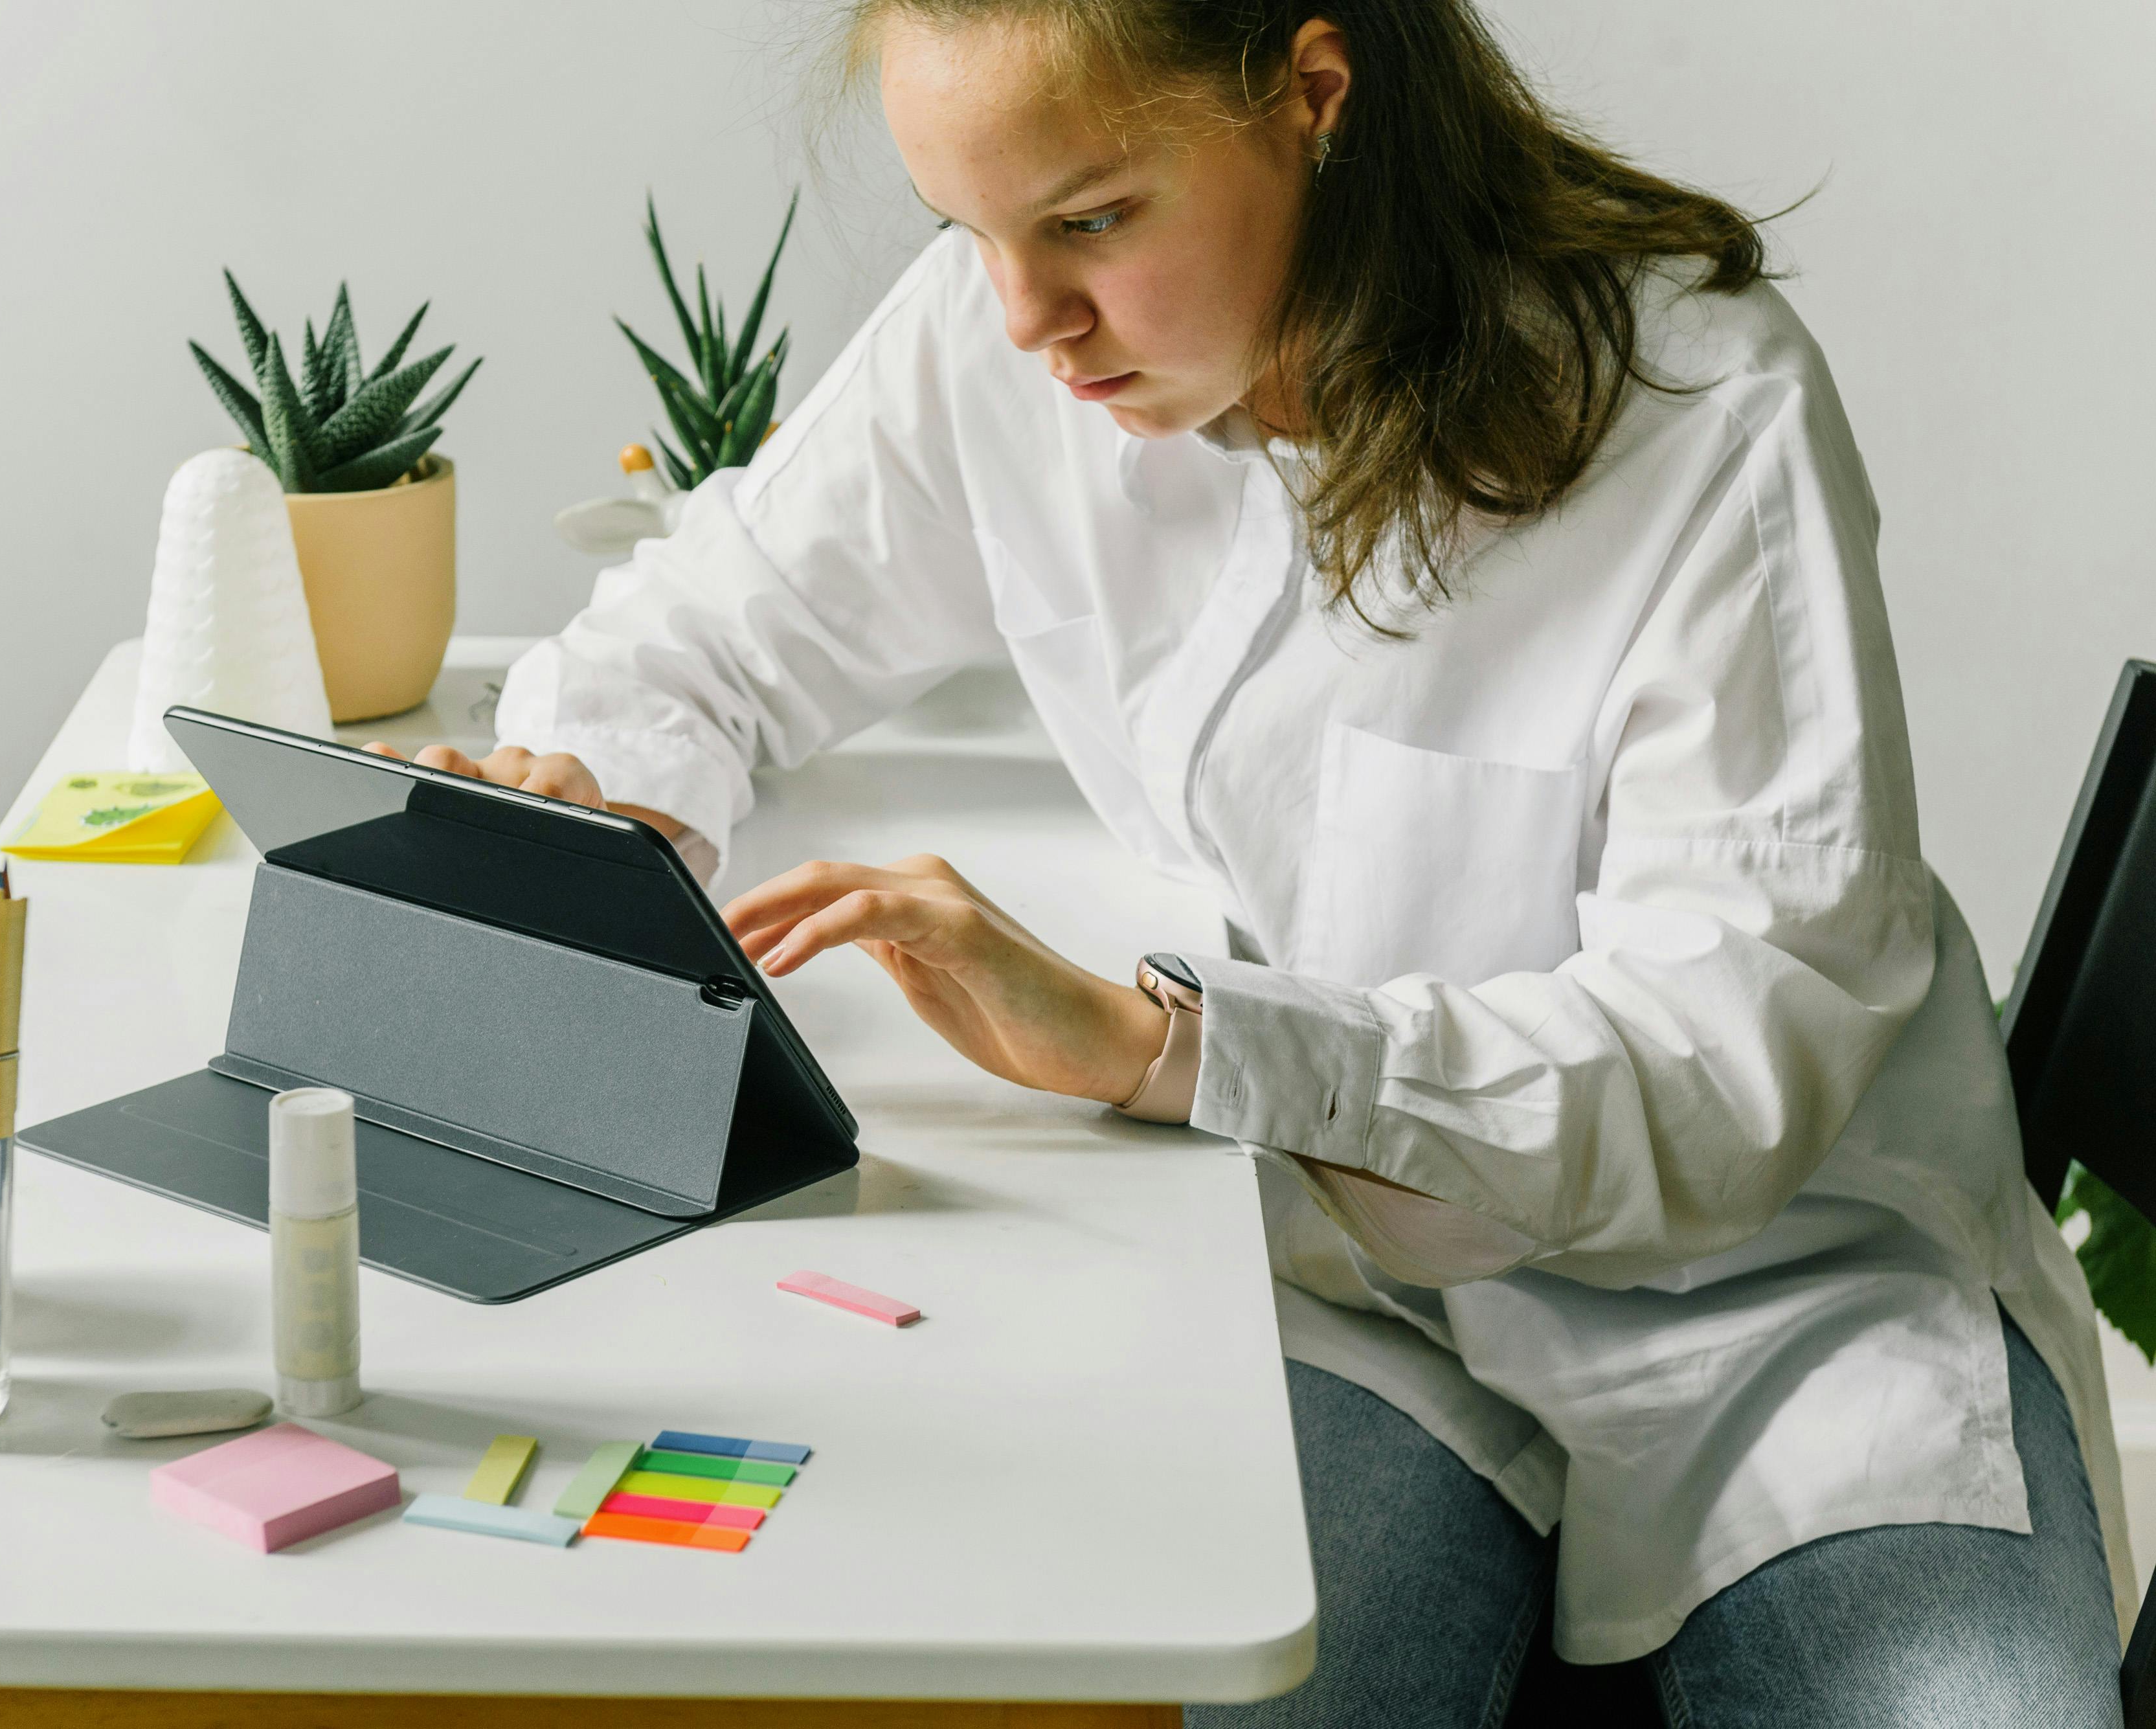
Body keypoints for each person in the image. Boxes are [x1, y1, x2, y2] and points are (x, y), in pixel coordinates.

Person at [385, 3, 2129, 1720]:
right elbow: (705, 624)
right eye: (966, 228)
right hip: (1320, 1295)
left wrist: (1175, 1046)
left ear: (1313, 91)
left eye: (1090, 220)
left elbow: (1720, 1068)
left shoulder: (1698, 413)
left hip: (1784, 1324)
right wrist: (599, 793)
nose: (1026, 319)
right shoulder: (1005, 350)